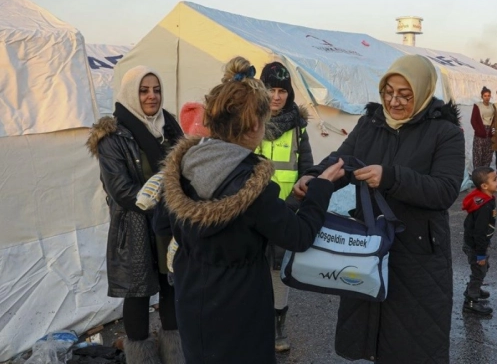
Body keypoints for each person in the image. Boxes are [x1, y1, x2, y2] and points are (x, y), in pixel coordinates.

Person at [155, 56, 345, 363]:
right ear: (255, 125)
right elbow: (299, 236)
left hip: (192, 299)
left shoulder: (183, 166)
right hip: (240, 306)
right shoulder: (252, 186)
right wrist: (322, 186)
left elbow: (161, 227)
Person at [293, 54, 465, 363]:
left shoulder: (445, 132)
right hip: (370, 245)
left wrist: (391, 177)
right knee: (371, 332)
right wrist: (316, 178)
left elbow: (444, 190)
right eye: (388, 92)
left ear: (423, 91)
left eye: (405, 94)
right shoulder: (370, 123)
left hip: (418, 254)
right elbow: (342, 161)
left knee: (411, 344)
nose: (394, 101)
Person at [87, 66, 185, 363]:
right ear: (131, 92)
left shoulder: (170, 126)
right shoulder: (112, 136)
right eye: (144, 90)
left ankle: (175, 355)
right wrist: (166, 198)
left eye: (156, 89)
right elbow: (120, 189)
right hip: (134, 227)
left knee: (172, 287)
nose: (152, 96)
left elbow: (184, 170)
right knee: (138, 295)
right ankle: (141, 358)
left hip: (168, 225)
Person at [254, 61, 313, 352]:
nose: (276, 97)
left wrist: (295, 200)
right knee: (251, 270)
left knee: (279, 272)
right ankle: (253, 324)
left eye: (282, 91)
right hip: (251, 212)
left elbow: (308, 170)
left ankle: (278, 329)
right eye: (271, 90)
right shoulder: (248, 122)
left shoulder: (299, 128)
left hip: (285, 212)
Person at [461, 166, 497, 316]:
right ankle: (471, 301)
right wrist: (481, 254)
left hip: (476, 243)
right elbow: (479, 233)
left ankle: (473, 288)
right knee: (479, 271)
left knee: (482, 269)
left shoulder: (486, 198)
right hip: (476, 246)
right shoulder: (483, 206)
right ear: (484, 186)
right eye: (494, 179)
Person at [471, 86, 497, 169]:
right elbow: (473, 120)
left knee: (488, 153)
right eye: (485, 96)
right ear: (482, 96)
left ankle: (485, 173)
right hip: (480, 131)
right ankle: (477, 173)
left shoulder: (492, 106)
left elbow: (494, 120)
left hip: (489, 131)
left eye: (488, 96)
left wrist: (492, 131)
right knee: (478, 153)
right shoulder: (477, 105)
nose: (487, 98)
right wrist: (479, 131)